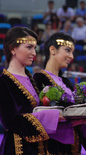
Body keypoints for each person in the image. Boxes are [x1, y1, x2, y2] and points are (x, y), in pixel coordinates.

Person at [0, 26, 73, 154]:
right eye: (29, 47)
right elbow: (9, 121)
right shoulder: (3, 81)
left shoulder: (31, 80)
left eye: (34, 48)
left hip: (38, 146)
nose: (34, 53)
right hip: (17, 147)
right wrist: (48, 116)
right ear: (13, 49)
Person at [33, 32, 86, 154]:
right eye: (67, 50)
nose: (71, 56)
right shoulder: (40, 78)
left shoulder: (66, 82)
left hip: (73, 145)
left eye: (72, 52)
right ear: (52, 50)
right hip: (53, 145)